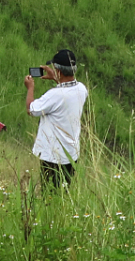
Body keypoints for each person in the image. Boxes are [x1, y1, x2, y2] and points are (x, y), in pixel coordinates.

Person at [26, 49, 88, 185]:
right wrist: (56, 78)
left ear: (59, 71)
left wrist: (30, 88)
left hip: (53, 156)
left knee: (49, 194)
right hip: (71, 154)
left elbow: (31, 110)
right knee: (64, 192)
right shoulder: (82, 89)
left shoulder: (55, 95)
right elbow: (67, 89)